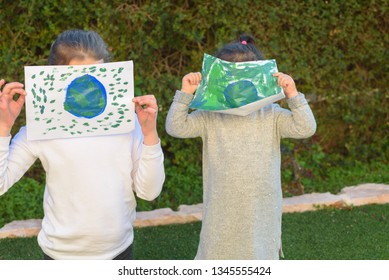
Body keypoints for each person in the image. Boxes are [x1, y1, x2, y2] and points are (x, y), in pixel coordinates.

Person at [0, 29, 165, 260]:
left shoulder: (128, 126)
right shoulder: (41, 129)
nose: (87, 89)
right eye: (76, 78)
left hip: (118, 251)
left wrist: (149, 135)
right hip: (59, 256)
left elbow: (150, 192)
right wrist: (3, 127)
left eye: (97, 74)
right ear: (54, 77)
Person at [166, 34, 316, 259]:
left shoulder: (272, 114)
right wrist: (186, 93)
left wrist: (292, 93)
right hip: (221, 210)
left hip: (261, 210)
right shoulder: (210, 116)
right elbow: (176, 127)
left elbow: (305, 128)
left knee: (260, 255)